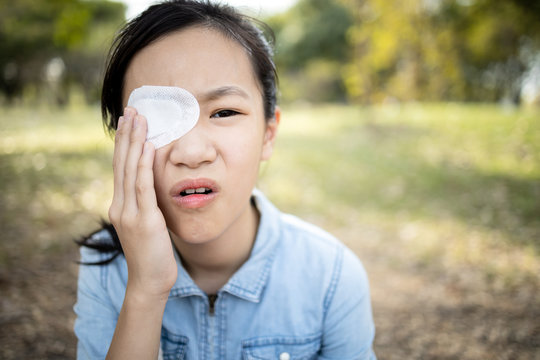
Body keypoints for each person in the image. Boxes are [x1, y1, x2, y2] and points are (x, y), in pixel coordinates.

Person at [73, 1, 376, 359]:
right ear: (121, 140)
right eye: (156, 118)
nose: (191, 151)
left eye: (225, 112)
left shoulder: (332, 276)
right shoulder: (107, 271)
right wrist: (145, 289)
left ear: (268, 134)